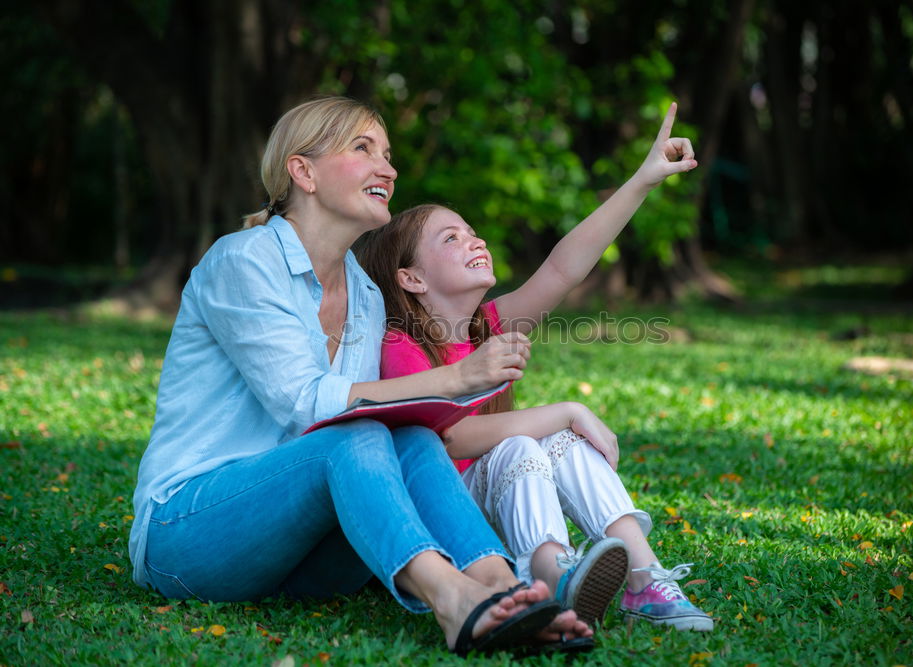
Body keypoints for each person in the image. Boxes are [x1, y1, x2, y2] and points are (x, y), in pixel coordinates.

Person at [127, 96, 592, 657]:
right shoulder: (243, 261)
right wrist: (452, 380)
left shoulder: (367, 295)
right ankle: (453, 599)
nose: (389, 169)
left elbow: (380, 418)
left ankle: (504, 587)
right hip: (190, 536)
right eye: (363, 149)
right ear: (304, 172)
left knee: (411, 436)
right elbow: (308, 404)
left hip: (301, 553)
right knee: (352, 433)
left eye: (389, 154)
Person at [357, 103, 714, 632]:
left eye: (472, 232)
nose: (474, 240)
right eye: (450, 239)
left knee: (563, 442)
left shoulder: (491, 325)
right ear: (411, 279)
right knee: (527, 441)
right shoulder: (403, 345)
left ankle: (646, 578)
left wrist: (642, 180)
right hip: (452, 526)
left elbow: (565, 265)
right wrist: (567, 409)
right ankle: (549, 575)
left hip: (498, 501)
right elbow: (449, 441)